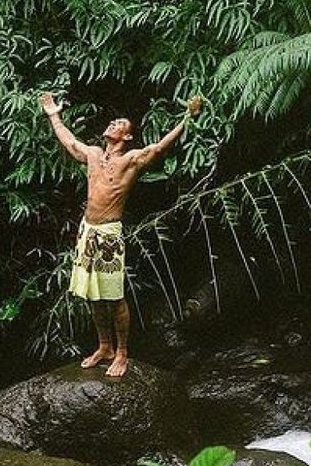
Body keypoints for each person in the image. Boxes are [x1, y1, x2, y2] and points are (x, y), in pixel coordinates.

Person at [39, 91, 204, 376]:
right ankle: (104, 346)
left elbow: (159, 148)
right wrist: (54, 115)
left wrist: (188, 117)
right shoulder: (92, 154)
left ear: (126, 137)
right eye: (113, 121)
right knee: (93, 294)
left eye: (119, 124)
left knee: (114, 296)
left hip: (109, 235)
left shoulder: (130, 160)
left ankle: (123, 352)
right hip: (87, 231)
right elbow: (68, 141)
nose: (113, 124)